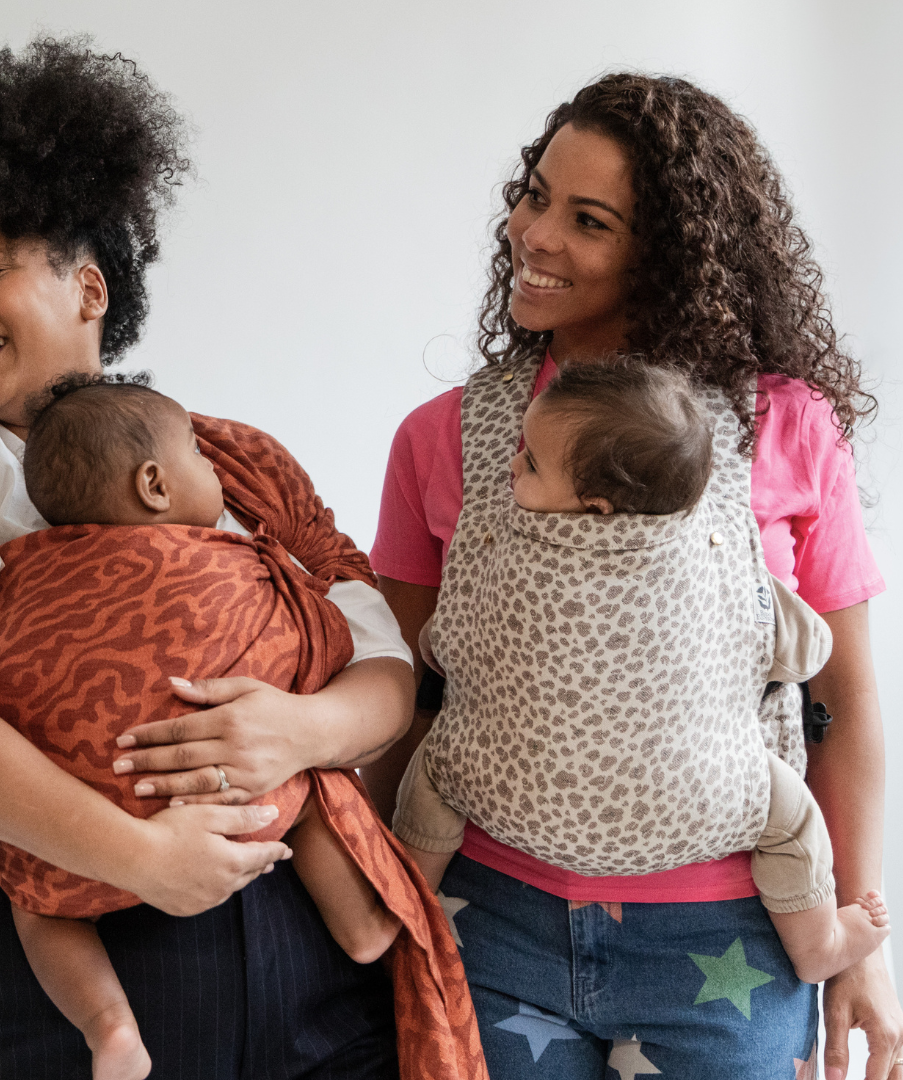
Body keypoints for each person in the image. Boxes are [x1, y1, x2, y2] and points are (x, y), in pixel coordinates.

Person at [0, 39, 421, 1079]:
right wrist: (143, 857)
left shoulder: (222, 462)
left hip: (290, 917)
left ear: (89, 288)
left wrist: (301, 730)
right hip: (61, 914)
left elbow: (378, 660)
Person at [364, 73, 903, 1079]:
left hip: (736, 938)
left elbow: (845, 702)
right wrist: (371, 908)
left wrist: (855, 945)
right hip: (491, 922)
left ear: (669, 255)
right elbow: (404, 699)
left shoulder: (784, 426)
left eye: (588, 219)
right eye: (533, 195)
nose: (534, 233)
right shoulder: (442, 438)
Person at [390, 358, 890, 987]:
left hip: (690, 915)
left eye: (531, 463)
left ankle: (403, 902)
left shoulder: (791, 420)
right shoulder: (439, 432)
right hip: (519, 914)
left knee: (435, 780)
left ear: (597, 507)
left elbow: (435, 652)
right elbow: (803, 654)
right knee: (787, 816)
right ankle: (818, 939)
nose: (511, 468)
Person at [0, 375, 404, 1080]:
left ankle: (109, 1025)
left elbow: (4, 671)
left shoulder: (29, 573)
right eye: (200, 461)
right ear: (154, 485)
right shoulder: (239, 571)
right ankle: (365, 928)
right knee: (310, 780)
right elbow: (328, 644)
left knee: (36, 907)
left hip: (71, 826)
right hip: (228, 806)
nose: (216, 470)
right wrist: (307, 698)